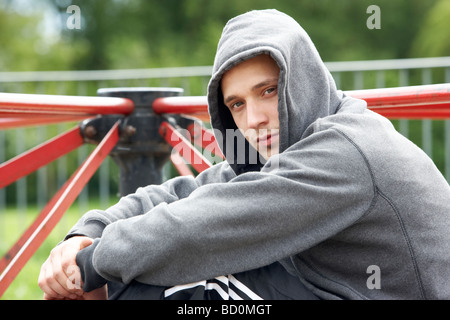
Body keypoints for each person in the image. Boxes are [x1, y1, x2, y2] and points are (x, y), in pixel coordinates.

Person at [38, 9, 450, 300]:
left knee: (157, 284)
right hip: (332, 288)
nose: (252, 119)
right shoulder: (291, 145)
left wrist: (91, 266)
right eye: (236, 104)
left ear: (302, 79)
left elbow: (199, 228)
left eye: (268, 91)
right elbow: (187, 192)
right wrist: (87, 232)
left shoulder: (345, 150)